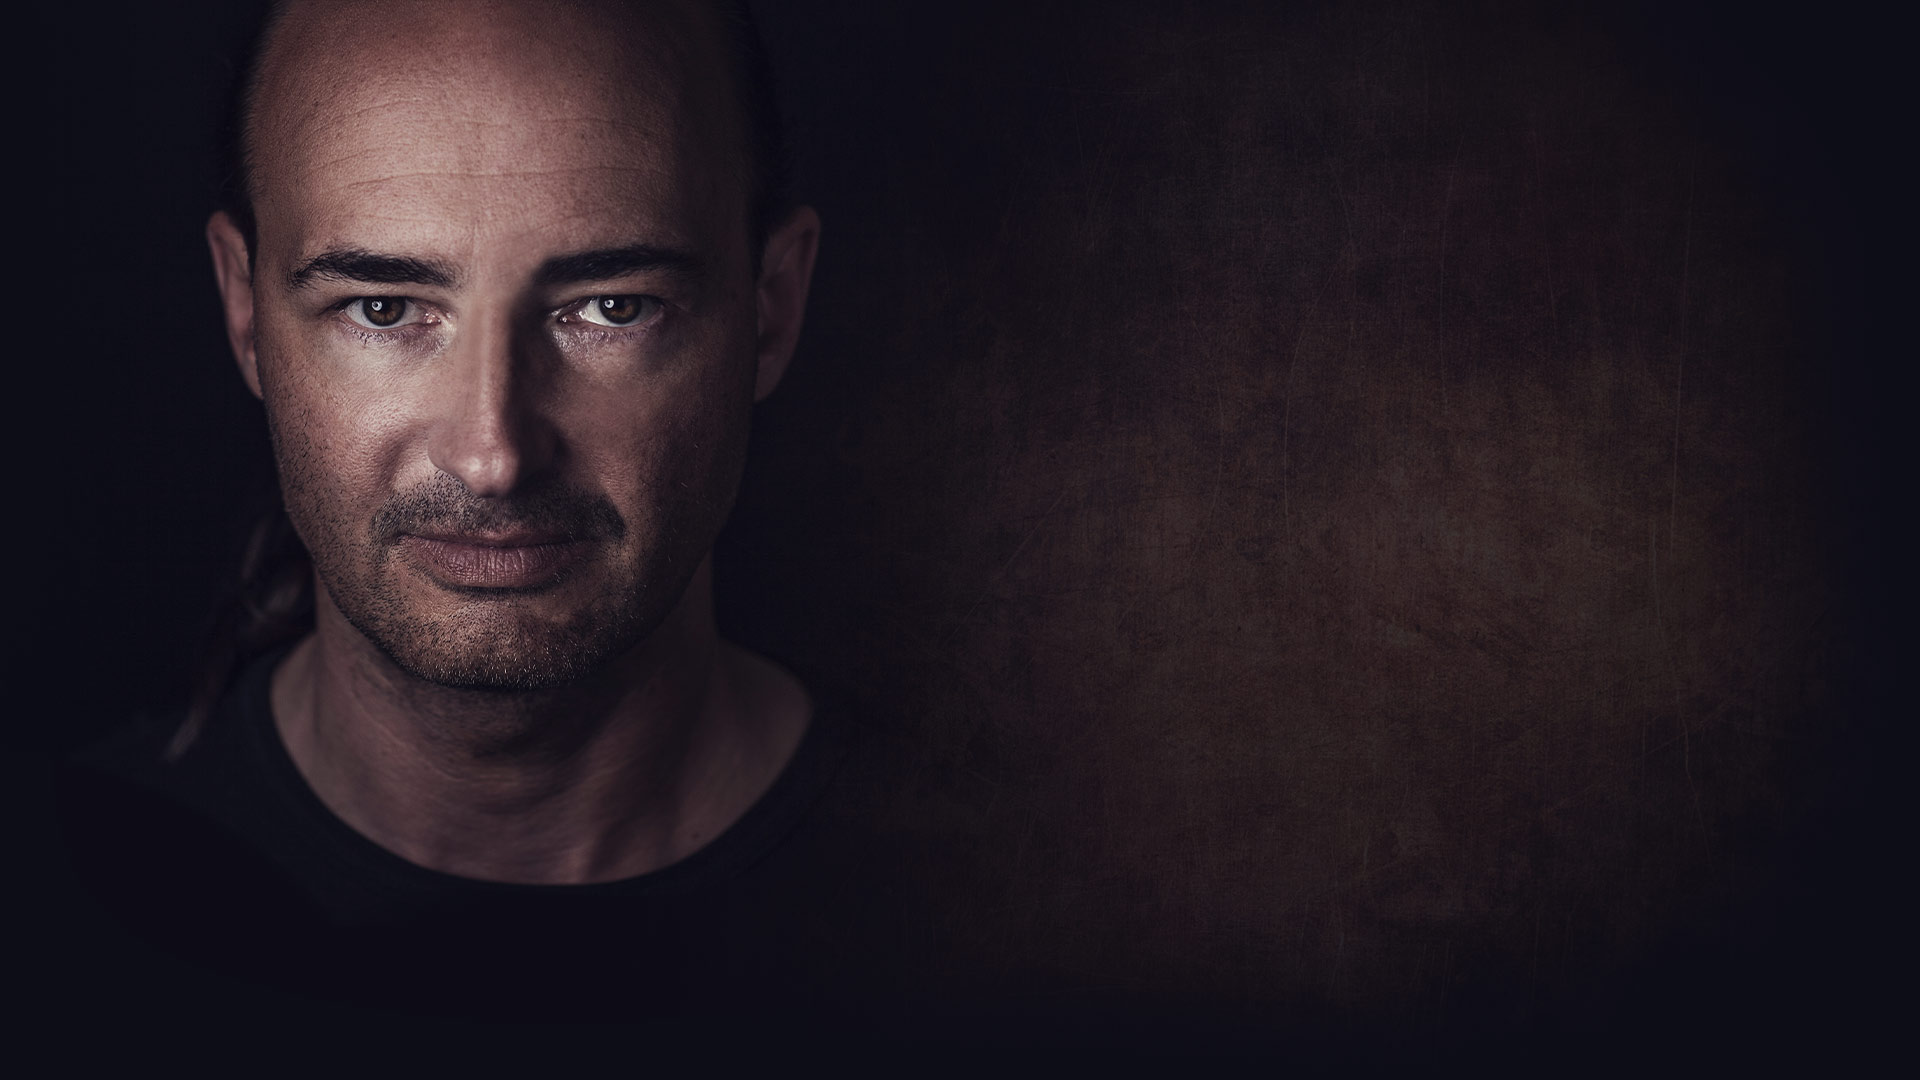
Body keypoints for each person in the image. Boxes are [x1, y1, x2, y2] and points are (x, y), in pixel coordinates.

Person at [55, 0, 927, 1028]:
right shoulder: (56, 928)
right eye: (383, 309)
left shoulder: (1020, 911)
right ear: (245, 312)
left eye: (612, 307)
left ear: (771, 306)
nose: (493, 454)